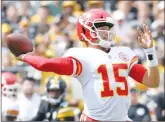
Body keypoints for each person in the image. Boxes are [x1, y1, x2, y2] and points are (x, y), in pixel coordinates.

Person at [15, 9, 159, 121]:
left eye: (108, 27)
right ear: (85, 32)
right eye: (101, 27)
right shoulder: (82, 56)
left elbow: (152, 81)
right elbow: (46, 64)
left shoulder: (123, 53)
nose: (106, 31)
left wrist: (150, 51)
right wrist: (25, 57)